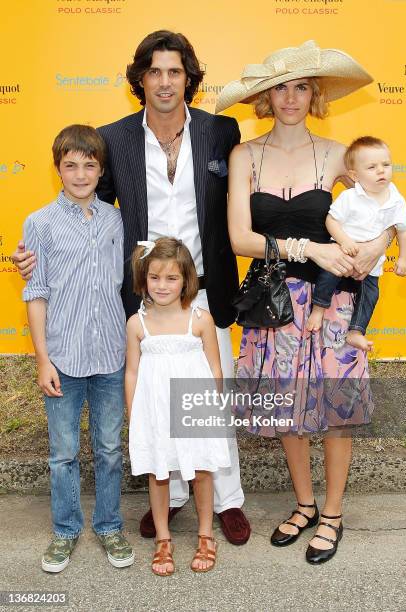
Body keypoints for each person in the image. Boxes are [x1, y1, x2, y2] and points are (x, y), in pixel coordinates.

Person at [13, 30, 250, 545]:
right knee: (157, 402)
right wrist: (36, 253)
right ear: (139, 79)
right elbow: (82, 206)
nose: (165, 82)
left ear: (189, 79)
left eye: (175, 72)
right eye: (155, 72)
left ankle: (227, 499)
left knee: (209, 398)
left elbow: (248, 200)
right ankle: (176, 499)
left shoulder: (221, 132)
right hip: (146, 299)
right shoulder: (114, 138)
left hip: (206, 292)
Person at [218, 40, 395, 564]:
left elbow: (387, 205)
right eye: (279, 88)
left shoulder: (340, 154)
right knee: (285, 410)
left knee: (335, 409)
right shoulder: (244, 155)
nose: (290, 97)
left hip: (333, 301)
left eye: (300, 87)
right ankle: (303, 504)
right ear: (264, 98)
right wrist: (309, 245)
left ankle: (333, 514)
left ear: (314, 94)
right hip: (271, 304)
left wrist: (374, 248)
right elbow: (240, 240)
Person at [22, 125, 134, 573]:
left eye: (89, 165)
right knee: (62, 452)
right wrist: (42, 359)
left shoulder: (116, 219)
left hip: (110, 353)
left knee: (109, 448)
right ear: (58, 169)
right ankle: (65, 531)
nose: (80, 173)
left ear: (101, 170)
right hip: (63, 357)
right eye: (71, 164)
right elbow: (36, 293)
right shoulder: (39, 223)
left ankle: (109, 525)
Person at [126, 237, 231, 575]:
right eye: (154, 277)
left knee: (201, 471)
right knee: (159, 473)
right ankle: (163, 538)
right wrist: (133, 414)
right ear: (143, 280)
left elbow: (215, 368)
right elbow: (132, 372)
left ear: (187, 280)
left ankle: (205, 534)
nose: (162, 285)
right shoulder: (136, 324)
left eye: (171, 278)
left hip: (193, 406)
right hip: (154, 409)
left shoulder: (200, 320)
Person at [307, 136, 406, 351]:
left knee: (371, 295)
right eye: (372, 167)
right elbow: (331, 220)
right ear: (354, 175)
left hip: (372, 264)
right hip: (343, 252)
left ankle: (356, 331)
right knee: (328, 276)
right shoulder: (350, 196)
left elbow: (403, 229)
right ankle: (318, 309)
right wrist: (344, 241)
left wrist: (404, 258)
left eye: (386, 165)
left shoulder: (396, 198)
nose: (381, 171)